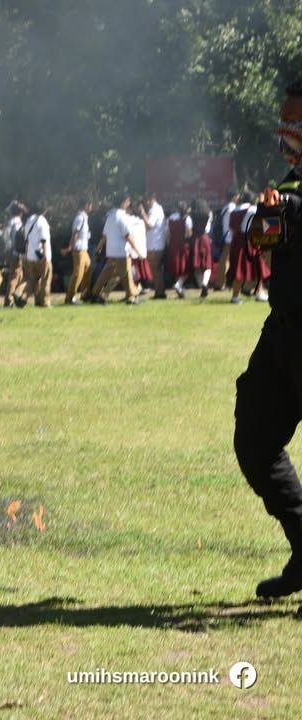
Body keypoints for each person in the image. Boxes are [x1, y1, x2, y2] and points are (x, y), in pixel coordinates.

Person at [234, 80, 302, 598]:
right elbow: (261, 239)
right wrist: (270, 219)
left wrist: (287, 212)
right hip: (284, 331)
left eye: (293, 127)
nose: (285, 137)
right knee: (255, 440)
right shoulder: (289, 185)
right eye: (283, 126)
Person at [91, 192, 140, 305]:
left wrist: (98, 248)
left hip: (111, 252)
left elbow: (104, 236)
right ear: (123, 203)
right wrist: (137, 250)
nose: (128, 204)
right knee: (126, 275)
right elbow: (127, 235)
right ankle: (131, 297)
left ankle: (95, 293)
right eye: (127, 201)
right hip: (121, 252)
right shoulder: (122, 217)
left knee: (105, 274)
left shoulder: (111, 216)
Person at [227, 192, 267, 304]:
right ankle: (241, 296)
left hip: (237, 241)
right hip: (250, 240)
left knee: (240, 269)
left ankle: (254, 293)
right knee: (256, 268)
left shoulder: (234, 210)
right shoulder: (252, 209)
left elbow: (231, 229)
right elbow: (264, 221)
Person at [19, 206, 52, 308]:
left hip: (30, 255)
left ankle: (22, 295)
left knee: (33, 280)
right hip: (41, 255)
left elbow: (26, 240)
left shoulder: (29, 221)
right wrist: (45, 255)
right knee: (45, 279)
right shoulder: (42, 221)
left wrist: (27, 254)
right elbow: (43, 239)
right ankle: (45, 301)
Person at [62, 199, 93, 305]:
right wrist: (70, 247)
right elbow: (75, 234)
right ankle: (70, 297)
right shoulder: (80, 218)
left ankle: (85, 294)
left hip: (84, 250)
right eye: (90, 205)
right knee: (78, 274)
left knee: (88, 270)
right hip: (79, 250)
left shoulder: (84, 217)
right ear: (86, 205)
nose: (91, 207)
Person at [140, 193, 168, 298]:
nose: (146, 203)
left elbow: (149, 224)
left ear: (152, 199)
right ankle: (159, 291)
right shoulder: (159, 208)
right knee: (157, 269)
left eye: (147, 200)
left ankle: (159, 292)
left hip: (154, 244)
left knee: (155, 269)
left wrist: (142, 213)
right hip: (157, 243)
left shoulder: (153, 210)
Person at [2, 202, 27, 307]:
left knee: (19, 275)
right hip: (15, 252)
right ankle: (9, 299)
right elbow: (18, 238)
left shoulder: (9, 222)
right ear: (19, 212)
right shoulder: (17, 222)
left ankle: (15, 296)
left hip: (9, 251)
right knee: (14, 276)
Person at [166, 202, 192, 298]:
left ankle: (179, 289)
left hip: (173, 245)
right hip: (183, 245)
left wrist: (169, 244)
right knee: (186, 268)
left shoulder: (170, 218)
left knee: (177, 269)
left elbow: (168, 234)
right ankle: (178, 284)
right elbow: (189, 234)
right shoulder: (187, 219)